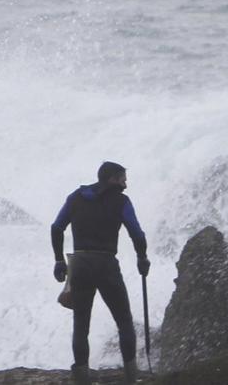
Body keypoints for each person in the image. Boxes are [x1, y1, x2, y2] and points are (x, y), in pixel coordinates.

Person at [51, 162, 150, 384]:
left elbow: (56, 227)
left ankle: (81, 378)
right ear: (112, 179)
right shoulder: (121, 201)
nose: (125, 184)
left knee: (80, 324)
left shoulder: (75, 197)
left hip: (80, 264)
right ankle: (131, 378)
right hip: (106, 264)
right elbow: (136, 233)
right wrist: (142, 258)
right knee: (124, 321)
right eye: (122, 179)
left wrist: (58, 260)